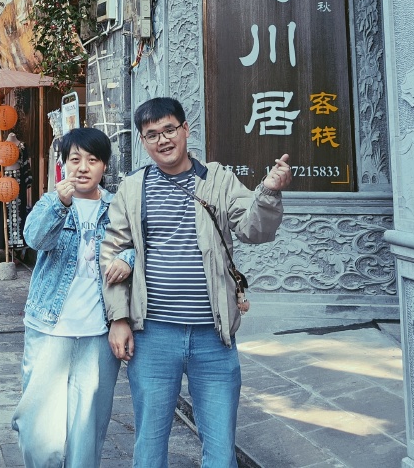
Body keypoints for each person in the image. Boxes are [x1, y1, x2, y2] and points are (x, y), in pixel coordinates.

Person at [100, 97, 292, 468]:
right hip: (153, 334)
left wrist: (268, 192)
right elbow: (113, 251)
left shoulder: (217, 179)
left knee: (220, 450)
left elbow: (254, 229)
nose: (163, 140)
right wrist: (118, 318)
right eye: (152, 134)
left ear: (185, 130)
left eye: (169, 129)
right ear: (143, 141)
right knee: (149, 445)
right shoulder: (133, 187)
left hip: (213, 337)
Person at [12, 127, 135, 468]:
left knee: (87, 434)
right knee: (39, 435)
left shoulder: (117, 207)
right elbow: (34, 239)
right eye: (75, 159)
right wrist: (59, 204)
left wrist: (128, 258)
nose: (82, 167)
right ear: (64, 163)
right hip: (49, 329)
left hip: (98, 334)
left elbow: (139, 246)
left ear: (104, 166)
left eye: (92, 160)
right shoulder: (51, 202)